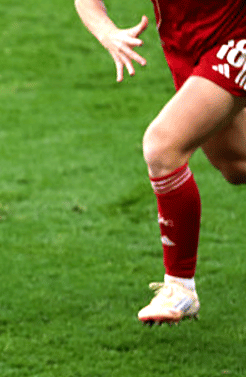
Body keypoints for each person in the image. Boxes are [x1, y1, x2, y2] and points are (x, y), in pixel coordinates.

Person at [75, 0, 246, 325]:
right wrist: (107, 32)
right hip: (186, 45)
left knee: (162, 146)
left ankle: (180, 287)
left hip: (237, 36)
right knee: (235, 164)